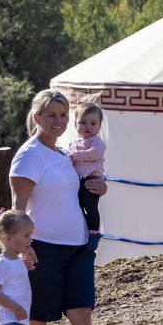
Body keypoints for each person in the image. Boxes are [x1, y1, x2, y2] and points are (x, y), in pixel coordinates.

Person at [0, 89, 113, 325]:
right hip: (44, 247)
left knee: (82, 314)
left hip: (79, 247)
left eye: (63, 115)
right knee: (36, 318)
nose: (59, 121)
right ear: (37, 118)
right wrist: (23, 248)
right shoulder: (30, 155)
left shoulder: (63, 153)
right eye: (51, 115)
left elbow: (72, 194)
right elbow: (17, 207)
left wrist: (99, 187)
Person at [67, 102, 106, 251]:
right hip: (77, 181)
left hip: (90, 179)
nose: (87, 126)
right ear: (75, 124)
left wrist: (74, 156)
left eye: (93, 123)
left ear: (99, 126)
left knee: (91, 207)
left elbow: (94, 154)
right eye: (82, 123)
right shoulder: (73, 144)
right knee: (77, 207)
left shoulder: (97, 142)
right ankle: (81, 232)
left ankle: (94, 234)